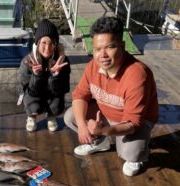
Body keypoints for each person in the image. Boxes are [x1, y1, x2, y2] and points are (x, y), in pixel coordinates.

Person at [64, 16, 158, 176]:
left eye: (110, 47)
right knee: (71, 116)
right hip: (106, 114)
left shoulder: (137, 74)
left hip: (133, 122)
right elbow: (80, 95)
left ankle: (137, 156)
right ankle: (99, 143)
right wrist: (82, 125)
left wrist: (105, 130)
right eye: (98, 49)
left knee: (131, 153)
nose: (103, 55)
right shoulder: (92, 66)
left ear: (122, 46)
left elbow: (134, 122)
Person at [19, 19, 71, 132]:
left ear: (56, 45)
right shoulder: (27, 61)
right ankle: (31, 117)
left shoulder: (63, 61)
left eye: (52, 43)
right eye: (44, 43)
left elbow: (64, 89)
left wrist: (55, 75)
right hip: (34, 94)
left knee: (57, 104)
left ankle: (51, 116)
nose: (48, 47)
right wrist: (36, 76)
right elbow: (26, 89)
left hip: (52, 93)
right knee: (33, 105)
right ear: (37, 43)